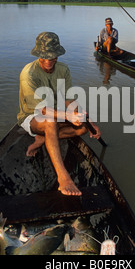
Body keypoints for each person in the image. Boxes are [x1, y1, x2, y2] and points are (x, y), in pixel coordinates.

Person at [17, 32, 101, 196]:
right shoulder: (28, 74)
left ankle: (44, 138)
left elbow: (70, 100)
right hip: (32, 116)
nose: (49, 61)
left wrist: (88, 120)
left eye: (53, 56)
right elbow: (40, 110)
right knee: (50, 122)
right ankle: (63, 177)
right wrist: (68, 116)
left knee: (83, 129)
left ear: (58, 55)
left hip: (58, 114)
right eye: (44, 56)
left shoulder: (63, 70)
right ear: (39, 54)